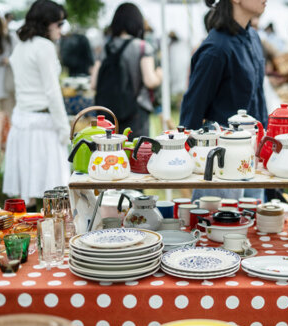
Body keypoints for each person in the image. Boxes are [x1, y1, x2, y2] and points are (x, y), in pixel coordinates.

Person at [179, 0, 266, 202]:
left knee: (254, 225)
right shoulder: (216, 47)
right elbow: (193, 106)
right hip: (221, 159)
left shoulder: (252, 36)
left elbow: (258, 97)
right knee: (215, 225)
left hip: (254, 154)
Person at [4, 0, 69, 202]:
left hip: (23, 121)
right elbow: (52, 92)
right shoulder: (44, 47)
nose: (61, 29)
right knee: (54, 191)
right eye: (59, 24)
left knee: (28, 191)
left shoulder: (21, 46)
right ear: (46, 23)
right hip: (41, 125)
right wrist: (64, 128)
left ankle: (30, 229)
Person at [91, 3, 163, 140]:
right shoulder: (142, 47)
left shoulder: (106, 48)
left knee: (111, 156)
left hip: (108, 115)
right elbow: (150, 81)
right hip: (136, 114)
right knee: (135, 155)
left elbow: (93, 83)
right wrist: (160, 74)